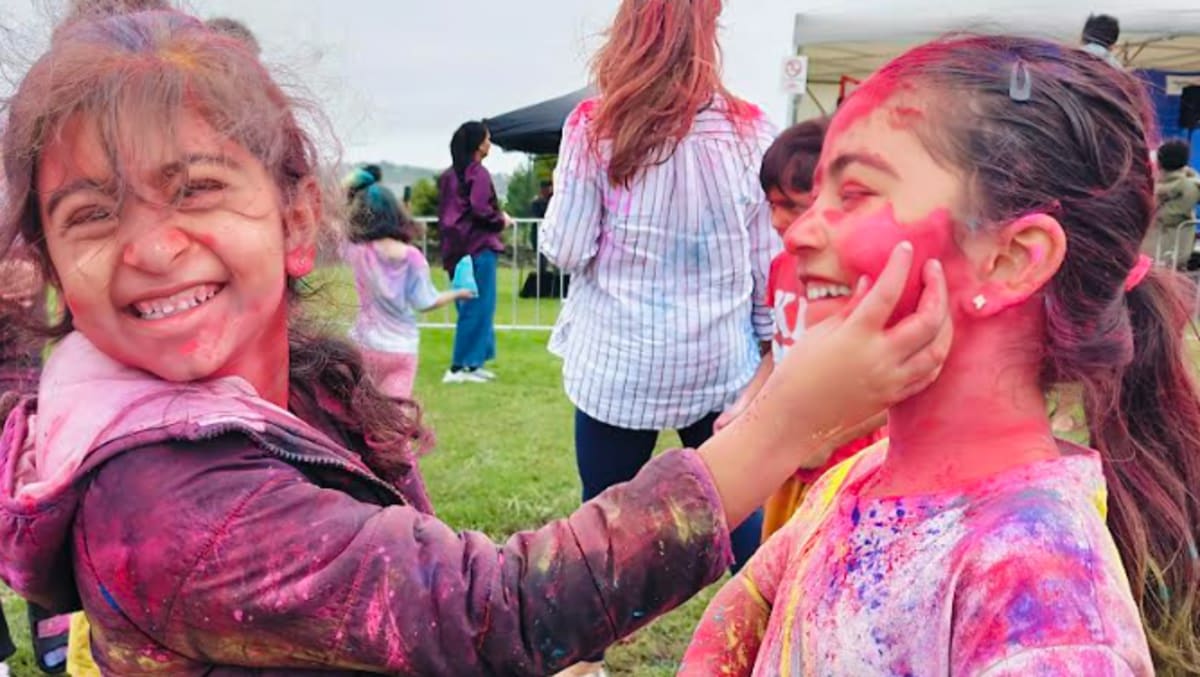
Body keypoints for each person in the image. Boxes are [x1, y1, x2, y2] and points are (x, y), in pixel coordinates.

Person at [0, 7, 952, 676]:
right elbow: (488, 609)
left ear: (297, 216)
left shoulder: (284, 385)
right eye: (92, 214)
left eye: (196, 187)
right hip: (709, 375)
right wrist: (782, 418)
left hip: (620, 370)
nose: (153, 248)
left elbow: (426, 571)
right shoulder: (170, 508)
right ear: (47, 258)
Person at [681, 34, 1200, 676]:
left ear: (1011, 260)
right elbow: (733, 636)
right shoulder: (858, 480)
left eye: (856, 193)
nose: (803, 232)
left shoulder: (1048, 600)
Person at [540, 3, 777, 673]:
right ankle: (755, 643)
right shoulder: (752, 131)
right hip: (718, 364)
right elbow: (767, 258)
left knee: (605, 520)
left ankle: (589, 657)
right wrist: (767, 352)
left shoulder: (595, 129)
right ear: (709, 35)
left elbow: (562, 246)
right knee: (737, 510)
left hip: (621, 367)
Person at [715, 118, 887, 540]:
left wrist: (829, 440)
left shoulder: (868, 279)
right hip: (789, 463)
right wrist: (746, 403)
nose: (776, 220)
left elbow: (899, 382)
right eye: (770, 204)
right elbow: (780, 349)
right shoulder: (780, 268)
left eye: (792, 205)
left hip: (853, 470)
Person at [342, 165, 474, 398]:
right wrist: (458, 293)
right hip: (401, 347)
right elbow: (425, 301)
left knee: (364, 414)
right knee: (396, 421)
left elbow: (335, 222)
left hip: (363, 344)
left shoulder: (357, 251)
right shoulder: (412, 257)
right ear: (395, 213)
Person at [437, 121, 511, 384]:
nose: (490, 143)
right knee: (477, 306)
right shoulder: (478, 173)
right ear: (480, 144)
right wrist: (501, 220)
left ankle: (473, 364)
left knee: (468, 305)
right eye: (488, 139)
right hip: (478, 248)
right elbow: (482, 210)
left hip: (455, 251)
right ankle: (459, 367)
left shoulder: (448, 176)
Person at [1145, 138, 1200, 269]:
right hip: (1177, 255)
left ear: (1158, 162)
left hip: (1145, 253)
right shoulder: (1191, 187)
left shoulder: (1146, 185)